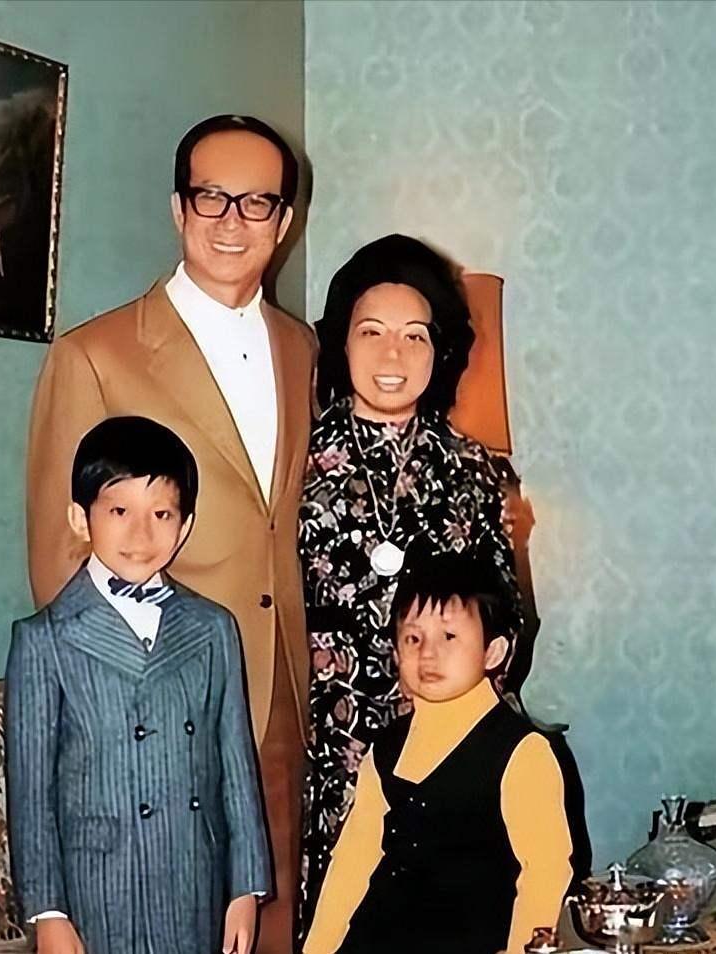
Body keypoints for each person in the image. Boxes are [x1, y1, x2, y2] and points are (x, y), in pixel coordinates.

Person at [25, 114, 315, 953]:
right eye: (211, 197)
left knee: (268, 923)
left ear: (283, 222)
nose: (232, 220)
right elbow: (60, 557)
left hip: (277, 691)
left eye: (257, 202)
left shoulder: (303, 349)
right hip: (148, 706)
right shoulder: (95, 355)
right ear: (177, 209)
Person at [297, 234, 523, 938]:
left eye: (414, 335)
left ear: (439, 350)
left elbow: (508, 621)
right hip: (332, 754)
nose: (392, 355)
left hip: (449, 752)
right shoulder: (290, 465)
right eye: (371, 332)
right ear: (341, 343)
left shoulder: (474, 471)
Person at [6, 416, 271, 954]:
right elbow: (32, 794)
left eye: (162, 514)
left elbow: (236, 768)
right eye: (119, 511)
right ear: (80, 519)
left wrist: (245, 886)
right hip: (99, 886)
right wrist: (48, 912)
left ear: (185, 525)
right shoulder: (45, 639)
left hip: (193, 877)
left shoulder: (213, 628)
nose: (141, 535)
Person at [302, 542, 573, 954]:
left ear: (493, 651)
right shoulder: (386, 749)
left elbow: (545, 871)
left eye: (449, 636)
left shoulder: (522, 752)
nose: (428, 653)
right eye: (413, 638)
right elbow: (352, 862)